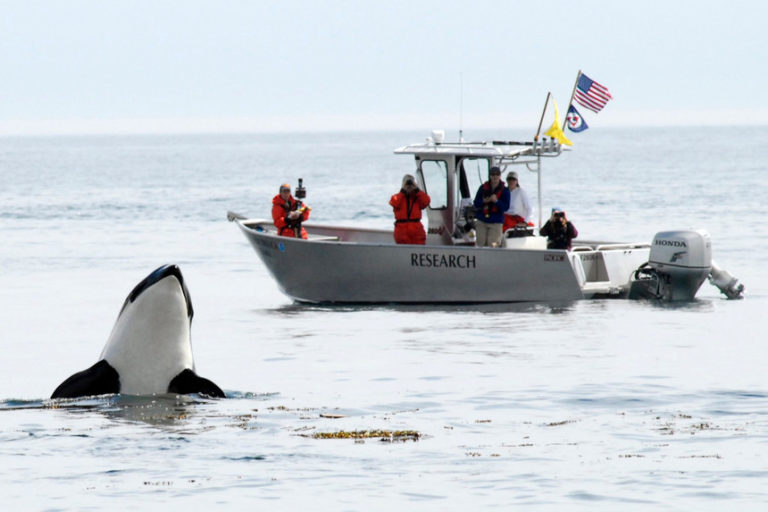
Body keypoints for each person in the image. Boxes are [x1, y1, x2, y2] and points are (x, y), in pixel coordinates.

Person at [472, 166, 510, 247]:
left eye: (497, 174)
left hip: (496, 222)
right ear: (490, 176)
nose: (495, 176)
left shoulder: (505, 190)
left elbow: (506, 207)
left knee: (493, 245)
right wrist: (484, 201)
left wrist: (496, 201)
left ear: (500, 176)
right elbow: (476, 203)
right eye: (492, 174)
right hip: (482, 220)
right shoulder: (482, 188)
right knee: (480, 244)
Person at [389, 174, 431, 244]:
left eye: (411, 183)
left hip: (417, 231)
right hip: (401, 231)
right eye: (407, 183)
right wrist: (403, 191)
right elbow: (394, 203)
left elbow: (426, 201)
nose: (409, 186)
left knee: (418, 251)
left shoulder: (418, 197)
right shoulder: (397, 197)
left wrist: (417, 190)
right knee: (403, 251)